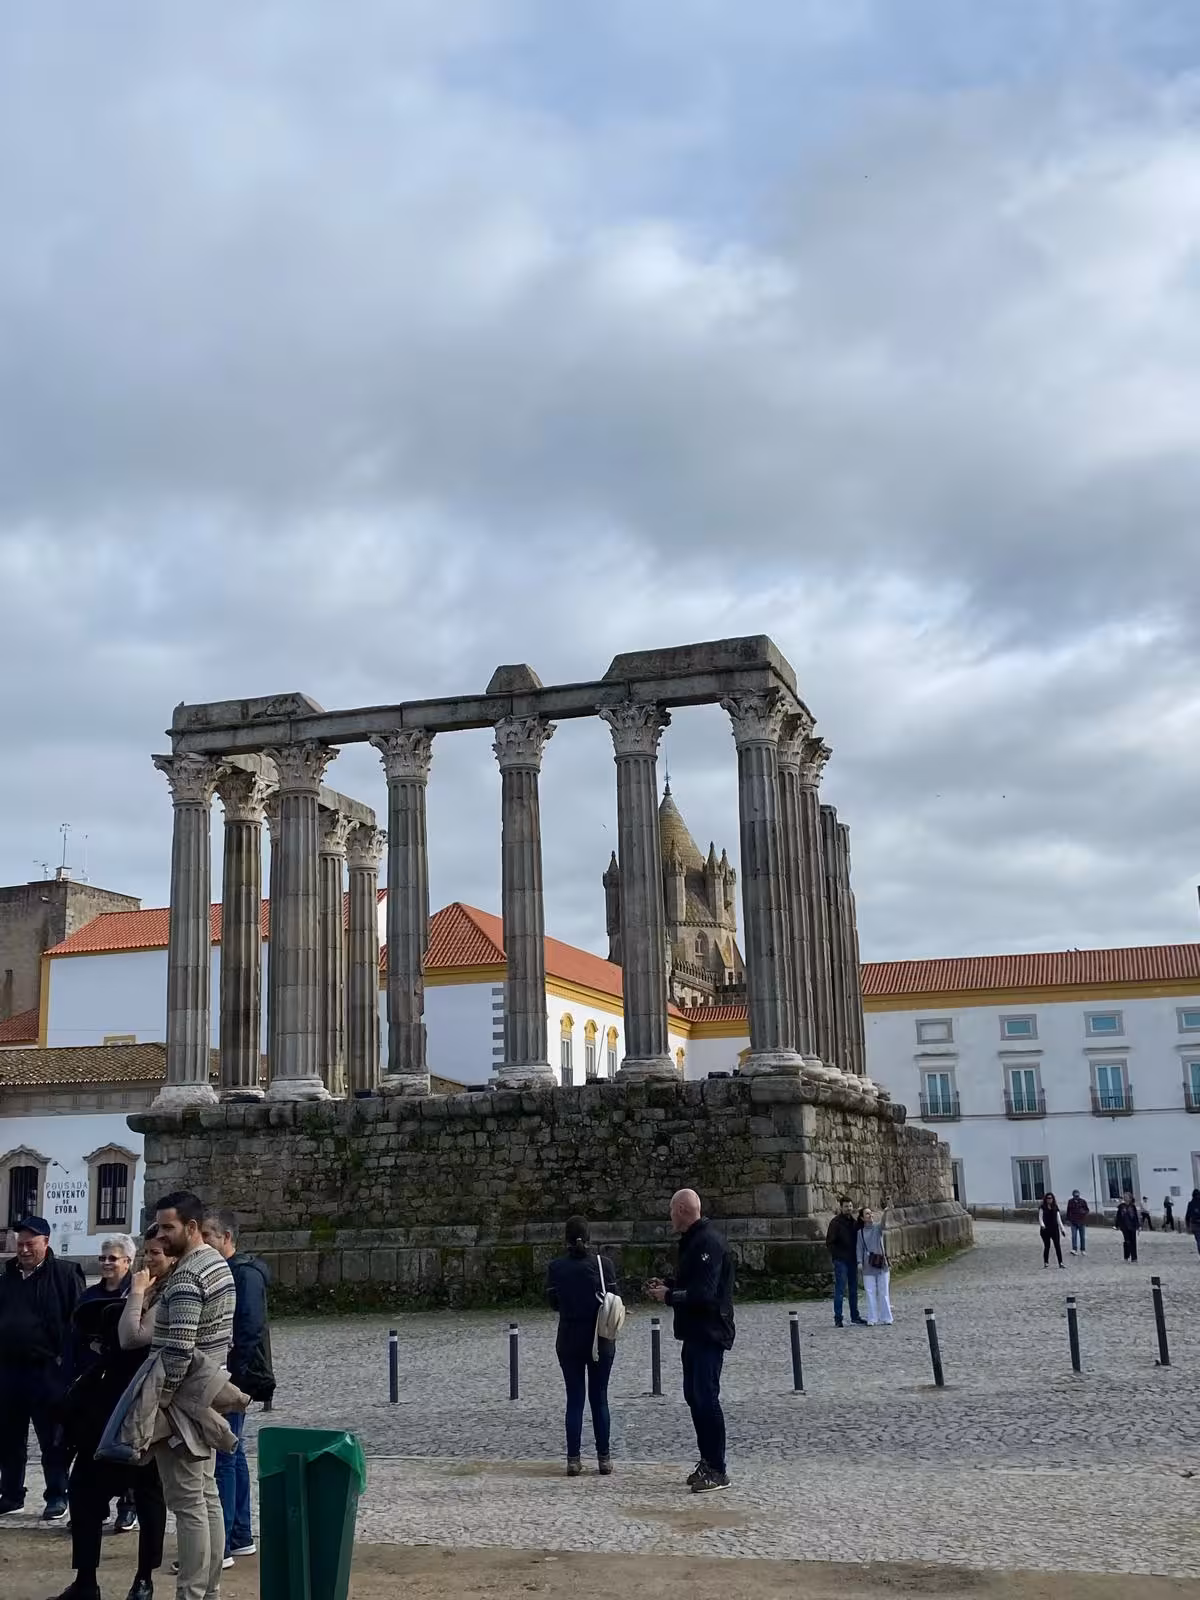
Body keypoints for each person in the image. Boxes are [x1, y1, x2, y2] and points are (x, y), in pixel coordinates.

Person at [49, 1234, 166, 1600]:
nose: (151, 1260)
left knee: (148, 1496)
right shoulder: (106, 1294)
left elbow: (132, 1338)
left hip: (144, 1406)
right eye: (148, 1253)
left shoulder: (167, 1295)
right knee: (84, 1491)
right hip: (102, 1402)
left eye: (156, 1254)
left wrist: (136, 1296)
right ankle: (86, 1581)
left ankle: (144, 1579)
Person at [150, 1192, 236, 1600]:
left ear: (191, 1227)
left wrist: (161, 1400)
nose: (161, 1235)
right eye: (159, 1227)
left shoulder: (186, 1276)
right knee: (206, 1496)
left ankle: (192, 1594)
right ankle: (209, 1590)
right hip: (208, 1392)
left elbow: (180, 1348)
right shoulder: (217, 1264)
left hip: (182, 1402)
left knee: (188, 1504)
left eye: (168, 1227)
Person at [646, 1189, 734, 1494]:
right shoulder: (692, 1243)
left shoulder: (708, 1242)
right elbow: (692, 1283)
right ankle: (707, 1460)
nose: (669, 1216)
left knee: (706, 1398)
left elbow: (707, 1295)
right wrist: (669, 1285)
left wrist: (670, 1296)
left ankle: (718, 1469)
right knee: (694, 1397)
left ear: (683, 1210)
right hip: (694, 1333)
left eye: (672, 1211)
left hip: (709, 1332)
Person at [202, 1207, 275, 1559]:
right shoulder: (231, 1272)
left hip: (232, 1376)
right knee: (234, 1452)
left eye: (209, 1237)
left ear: (226, 1239)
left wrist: (232, 1375)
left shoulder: (243, 1275)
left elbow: (248, 1329)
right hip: (231, 1374)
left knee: (224, 1457)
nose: (202, 1243)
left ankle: (224, 1542)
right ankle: (240, 1534)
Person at [0, 1215, 84, 1520]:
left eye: (30, 1244)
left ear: (45, 1243)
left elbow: (77, 1322)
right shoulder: (7, 1276)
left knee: (52, 1438)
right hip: (10, 1371)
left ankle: (56, 1494)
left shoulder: (64, 1274)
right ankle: (11, 1494)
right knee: (9, 1437)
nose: (23, 1250)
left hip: (48, 1370)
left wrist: (68, 1365)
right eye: (19, 1244)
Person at [545, 1216, 618, 1477]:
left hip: (569, 1339)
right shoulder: (604, 1265)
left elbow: (554, 1303)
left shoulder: (556, 1268)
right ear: (589, 1238)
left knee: (574, 1399)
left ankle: (573, 1459)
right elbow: (614, 1298)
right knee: (600, 1399)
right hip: (600, 1339)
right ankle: (604, 1458)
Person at [825, 1197, 867, 1329]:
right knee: (840, 1289)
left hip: (852, 1260)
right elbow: (830, 1242)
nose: (848, 1208)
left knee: (853, 1290)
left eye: (850, 1206)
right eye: (846, 1206)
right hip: (841, 1260)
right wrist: (837, 1256)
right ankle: (838, 1318)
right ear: (841, 1207)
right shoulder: (835, 1223)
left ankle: (855, 1316)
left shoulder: (853, 1222)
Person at [856, 1204, 893, 1325]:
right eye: (867, 1213)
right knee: (870, 1292)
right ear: (862, 1218)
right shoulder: (860, 1233)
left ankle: (886, 1317)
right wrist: (859, 1262)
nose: (870, 1215)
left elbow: (883, 1225)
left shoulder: (877, 1228)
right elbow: (859, 1248)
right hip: (868, 1266)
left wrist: (885, 1213)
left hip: (881, 1264)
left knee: (884, 1291)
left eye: (871, 1213)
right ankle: (872, 1318)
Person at [1040, 1192, 1066, 1268]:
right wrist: (1042, 1225)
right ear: (1046, 1199)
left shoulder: (1055, 1207)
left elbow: (1059, 1219)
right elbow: (1040, 1218)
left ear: (1053, 1199)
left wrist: (1062, 1229)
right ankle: (1046, 1262)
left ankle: (1060, 1263)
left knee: (1057, 1246)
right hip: (1045, 1230)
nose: (1049, 1199)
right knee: (1047, 1246)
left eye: (1050, 1198)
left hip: (1054, 1229)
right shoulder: (1042, 1207)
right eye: (1048, 1198)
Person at [1115, 1192, 1141, 1262]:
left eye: (1127, 1196)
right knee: (1127, 1241)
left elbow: (1135, 1217)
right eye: (1124, 1196)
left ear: (1130, 1198)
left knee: (1133, 1242)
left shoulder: (1133, 1207)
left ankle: (1134, 1257)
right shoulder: (1121, 1206)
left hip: (1132, 1226)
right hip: (1124, 1226)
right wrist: (1117, 1225)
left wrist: (1138, 1226)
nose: (1125, 1198)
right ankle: (1126, 1256)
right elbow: (1118, 1217)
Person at [1065, 1191, 1089, 1256]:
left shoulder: (1083, 1201)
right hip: (1073, 1221)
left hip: (1081, 1221)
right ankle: (1074, 1249)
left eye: (1077, 1196)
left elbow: (1087, 1210)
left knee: (1082, 1237)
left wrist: (1084, 1212)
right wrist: (1067, 1220)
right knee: (1074, 1236)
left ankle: (1083, 1249)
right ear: (1073, 1195)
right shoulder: (1070, 1202)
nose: (1076, 1197)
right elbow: (1068, 1211)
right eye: (1075, 1196)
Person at [1186, 1189, 1200, 1255]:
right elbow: (1187, 1216)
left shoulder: (1190, 1204)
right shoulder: (1191, 1204)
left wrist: (1188, 1226)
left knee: (1199, 1241)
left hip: (1194, 1225)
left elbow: (1187, 1216)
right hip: (1195, 1225)